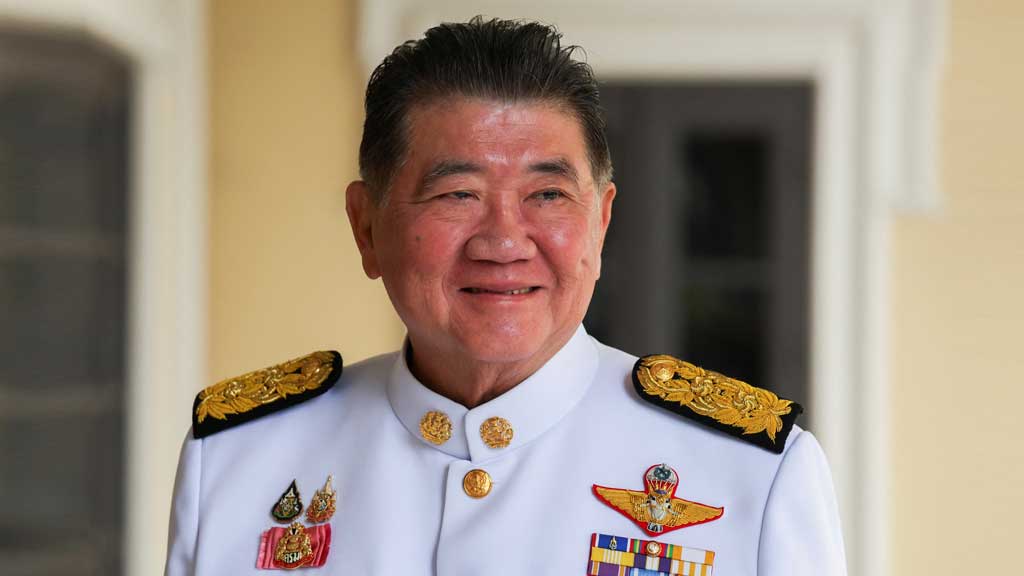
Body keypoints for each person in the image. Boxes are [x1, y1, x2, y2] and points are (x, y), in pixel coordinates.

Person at [165, 17, 846, 575]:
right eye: (457, 194)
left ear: (600, 223)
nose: (504, 240)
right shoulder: (235, 461)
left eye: (547, 194)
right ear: (366, 227)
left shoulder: (755, 474)